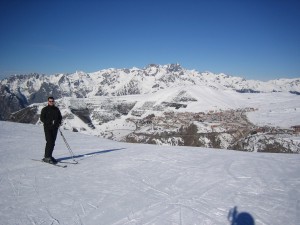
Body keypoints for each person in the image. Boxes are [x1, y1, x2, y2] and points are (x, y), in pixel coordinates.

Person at [40, 97, 62, 164]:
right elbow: (42, 118)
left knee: (53, 142)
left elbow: (60, 117)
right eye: (50, 101)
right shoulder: (45, 109)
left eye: (52, 101)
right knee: (49, 141)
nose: (51, 102)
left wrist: (58, 123)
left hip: (55, 128)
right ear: (48, 102)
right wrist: (49, 122)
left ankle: (50, 156)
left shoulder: (56, 109)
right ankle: (46, 157)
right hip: (47, 128)